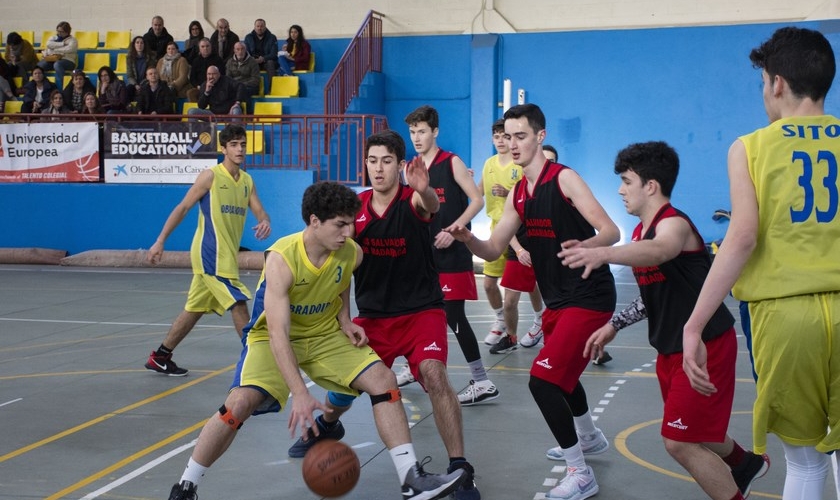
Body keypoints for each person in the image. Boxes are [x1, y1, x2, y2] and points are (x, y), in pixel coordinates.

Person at [165, 180, 467, 500]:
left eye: (351, 222)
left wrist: (344, 318)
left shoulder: (349, 252)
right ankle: (186, 485)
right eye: (340, 224)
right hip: (274, 338)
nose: (349, 232)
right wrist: (300, 393)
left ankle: (411, 479)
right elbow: (279, 332)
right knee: (239, 404)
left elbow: (341, 282)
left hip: (324, 335)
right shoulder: (282, 258)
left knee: (384, 379)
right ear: (314, 221)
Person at [558, 141, 770, 499]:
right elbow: (651, 294)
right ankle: (746, 464)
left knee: (678, 441)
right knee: (695, 431)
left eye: (626, 181)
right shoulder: (641, 232)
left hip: (705, 344)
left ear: (650, 186)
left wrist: (603, 251)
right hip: (670, 349)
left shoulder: (673, 224)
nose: (621, 190)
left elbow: (661, 251)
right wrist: (615, 325)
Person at [683, 26, 840, 499]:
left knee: (806, 462)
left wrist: (695, 323)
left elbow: (742, 237)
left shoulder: (750, 146)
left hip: (786, 318)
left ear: (775, 83)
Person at [446, 103, 618, 500]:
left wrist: (586, 249)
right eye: (507, 137)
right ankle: (588, 437)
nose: (513, 144)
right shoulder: (520, 193)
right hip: (559, 300)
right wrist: (467, 237)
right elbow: (492, 249)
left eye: (521, 136)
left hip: (589, 297)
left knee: (542, 381)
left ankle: (580, 472)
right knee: (564, 377)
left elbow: (609, 231)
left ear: (540, 136)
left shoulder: (565, 179)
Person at [144, 124, 271, 376]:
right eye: (234, 145)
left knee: (195, 308)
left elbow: (259, 209)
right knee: (238, 302)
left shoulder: (246, 181)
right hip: (209, 253)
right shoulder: (210, 176)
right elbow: (182, 208)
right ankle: (256, 361)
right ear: (223, 148)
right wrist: (160, 241)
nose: (240, 149)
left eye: (243, 144)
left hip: (227, 258)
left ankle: (160, 356)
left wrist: (265, 220)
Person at [396, 106, 493, 405]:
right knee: (414, 312)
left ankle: (482, 380)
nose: (416, 137)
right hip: (422, 257)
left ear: (435, 131)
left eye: (421, 131)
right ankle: (415, 367)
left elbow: (477, 200)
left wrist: (455, 229)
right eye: (412, 132)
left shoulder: (451, 162)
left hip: (452, 257)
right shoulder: (410, 168)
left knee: (453, 316)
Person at [478, 119, 546, 355]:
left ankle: (537, 322)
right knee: (489, 284)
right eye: (497, 136)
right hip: (498, 233)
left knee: (525, 287)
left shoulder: (522, 167)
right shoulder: (489, 164)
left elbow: (526, 197)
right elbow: (477, 195)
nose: (501, 140)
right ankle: (504, 322)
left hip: (519, 233)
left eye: (505, 136)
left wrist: (509, 193)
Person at [37, 21, 78, 89]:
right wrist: (62, 44)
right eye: (58, 31)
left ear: (67, 32)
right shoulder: (54, 38)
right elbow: (48, 44)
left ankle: (62, 87)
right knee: (39, 66)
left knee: (57, 64)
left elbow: (68, 49)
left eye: (61, 31)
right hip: (52, 59)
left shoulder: (73, 40)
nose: (59, 33)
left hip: (68, 61)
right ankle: (43, 86)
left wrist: (53, 49)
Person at [186, 38, 223, 102]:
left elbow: (222, 75)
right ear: (199, 48)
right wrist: (197, 86)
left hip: (215, 87)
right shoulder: (196, 61)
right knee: (190, 93)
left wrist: (211, 85)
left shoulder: (218, 60)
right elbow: (192, 78)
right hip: (199, 87)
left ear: (211, 47)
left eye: (207, 46)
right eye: (202, 46)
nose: (205, 48)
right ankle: (198, 110)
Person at [125, 36, 156, 103]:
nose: (139, 45)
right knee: (128, 89)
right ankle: (128, 108)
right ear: (134, 45)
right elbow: (130, 75)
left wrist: (141, 85)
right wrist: (135, 85)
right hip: (134, 84)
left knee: (147, 89)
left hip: (146, 82)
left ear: (144, 45)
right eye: (137, 43)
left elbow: (150, 74)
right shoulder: (129, 58)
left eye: (142, 43)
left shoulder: (151, 57)